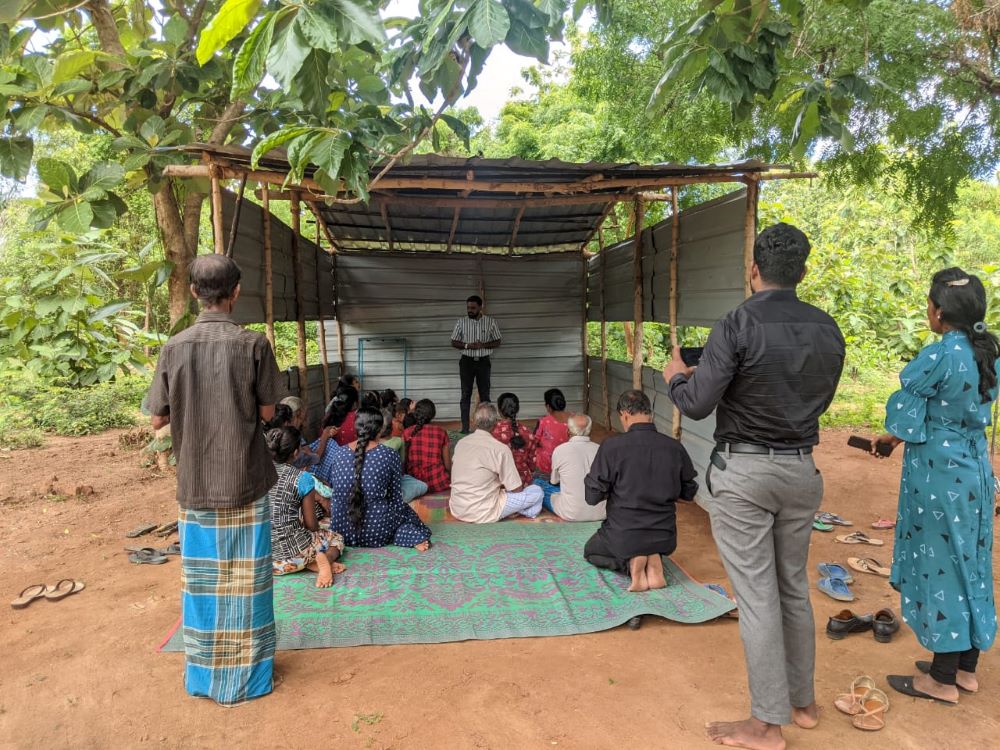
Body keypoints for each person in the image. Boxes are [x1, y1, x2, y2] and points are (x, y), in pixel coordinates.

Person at [663, 222, 845, 749]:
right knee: (793, 587)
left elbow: (697, 403)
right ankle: (802, 703)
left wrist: (677, 374)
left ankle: (766, 725)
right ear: (802, 272)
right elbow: (817, 398)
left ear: (753, 270)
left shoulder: (737, 322)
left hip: (745, 473)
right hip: (801, 471)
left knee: (757, 596)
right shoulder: (827, 328)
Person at [147, 254, 280, 705]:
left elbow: (156, 420)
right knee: (249, 581)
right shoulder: (254, 345)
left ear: (193, 292)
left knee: (202, 582)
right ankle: (251, 678)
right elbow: (267, 412)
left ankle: (204, 678)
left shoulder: (174, 347)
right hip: (245, 478)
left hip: (196, 482)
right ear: (236, 292)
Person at [870, 268, 998, 704]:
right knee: (972, 561)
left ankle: (939, 680)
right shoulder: (989, 352)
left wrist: (888, 439)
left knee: (942, 566)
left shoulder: (939, 355)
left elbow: (906, 416)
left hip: (939, 478)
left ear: (940, 313)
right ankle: (965, 669)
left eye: (929, 304)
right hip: (976, 474)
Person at [583, 390, 696, 589]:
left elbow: (592, 497)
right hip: (665, 539)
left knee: (591, 551)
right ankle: (653, 559)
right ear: (649, 413)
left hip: (624, 538)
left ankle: (631, 563)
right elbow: (688, 493)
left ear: (625, 414)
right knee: (647, 543)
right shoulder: (674, 447)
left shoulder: (612, 447)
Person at [324, 408, 432, 550]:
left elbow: (334, 490)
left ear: (355, 428)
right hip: (377, 532)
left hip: (341, 531)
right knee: (405, 513)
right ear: (380, 429)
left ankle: (403, 533)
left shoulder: (338, 453)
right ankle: (405, 535)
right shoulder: (389, 454)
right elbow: (395, 498)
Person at [265, 426, 346, 587]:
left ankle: (310, 564)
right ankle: (324, 560)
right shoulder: (303, 478)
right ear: (296, 452)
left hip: (268, 561)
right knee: (336, 538)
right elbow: (312, 525)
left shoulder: (260, 474)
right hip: (296, 555)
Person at [450, 403, 545, 522]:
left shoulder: (461, 443)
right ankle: (523, 511)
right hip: (484, 511)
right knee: (537, 491)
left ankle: (514, 510)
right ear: (496, 423)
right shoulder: (500, 449)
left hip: (458, 508)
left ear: (473, 421)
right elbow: (516, 489)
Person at [451, 294, 502, 433]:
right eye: (468, 308)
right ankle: (465, 428)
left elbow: (498, 341)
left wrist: (483, 345)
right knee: (465, 395)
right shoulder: (461, 322)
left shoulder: (490, 322)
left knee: (485, 396)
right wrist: (468, 346)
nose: (470, 310)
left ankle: (487, 427)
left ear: (480, 307)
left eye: (473, 308)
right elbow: (454, 342)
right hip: (466, 362)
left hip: (483, 363)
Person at [549, 414, 605, 521]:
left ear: (568, 432)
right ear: (590, 431)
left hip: (571, 513)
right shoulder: (601, 449)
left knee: (541, 485)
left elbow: (554, 481)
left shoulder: (560, 450)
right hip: (602, 513)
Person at [379, 407, 428, 503]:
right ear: (391, 426)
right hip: (393, 485)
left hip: (374, 487)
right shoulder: (398, 441)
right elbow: (402, 466)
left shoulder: (366, 444)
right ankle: (397, 498)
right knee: (423, 486)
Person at [403, 399, 451, 493]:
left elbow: (404, 461)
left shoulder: (407, 432)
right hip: (437, 482)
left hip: (414, 483)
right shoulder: (441, 432)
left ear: (416, 413)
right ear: (433, 415)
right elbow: (447, 465)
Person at [279, 396, 337, 469]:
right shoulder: (292, 436)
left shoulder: (277, 432)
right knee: (331, 444)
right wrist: (325, 436)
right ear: (298, 413)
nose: (304, 419)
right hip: (294, 475)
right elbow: (315, 458)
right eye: (303, 416)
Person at [491, 392, 536, 485]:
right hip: (523, 482)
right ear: (517, 410)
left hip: (499, 484)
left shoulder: (492, 433)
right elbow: (532, 466)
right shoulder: (528, 433)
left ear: (499, 411)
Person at [534, 388, 570, 477]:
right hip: (568, 462)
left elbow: (534, 441)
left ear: (548, 407)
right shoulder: (574, 419)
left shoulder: (543, 421)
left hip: (548, 465)